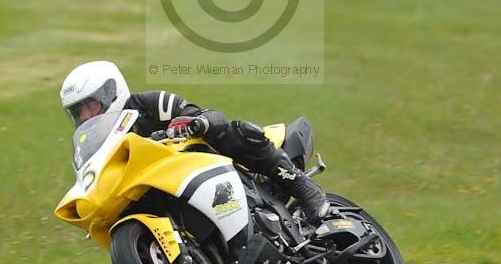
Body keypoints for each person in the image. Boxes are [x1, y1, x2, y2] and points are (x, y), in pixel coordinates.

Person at [60, 60, 327, 225]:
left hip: (206, 163)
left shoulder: (150, 104)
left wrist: (192, 122)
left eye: (90, 106)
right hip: (165, 184)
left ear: (111, 91)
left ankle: (302, 186)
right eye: (78, 112)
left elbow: (201, 113)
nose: (86, 116)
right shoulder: (97, 139)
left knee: (230, 129)